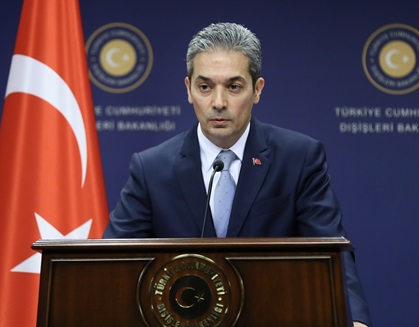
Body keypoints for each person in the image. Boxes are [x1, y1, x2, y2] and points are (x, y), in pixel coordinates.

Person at [103, 22, 372, 326]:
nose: (218, 102)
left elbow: (331, 252)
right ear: (188, 89)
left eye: (233, 87)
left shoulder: (298, 158)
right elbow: (111, 266)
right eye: (205, 87)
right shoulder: (151, 168)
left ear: (257, 90)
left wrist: (355, 320)